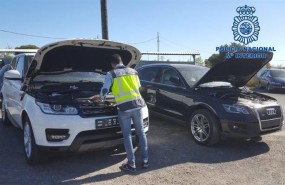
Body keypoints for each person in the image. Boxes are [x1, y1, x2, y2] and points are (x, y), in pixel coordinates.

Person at [100, 54, 149, 173]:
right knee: (141, 133)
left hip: (124, 109)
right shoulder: (133, 71)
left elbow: (105, 90)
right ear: (121, 61)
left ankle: (131, 164)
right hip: (138, 105)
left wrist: (101, 97)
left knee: (127, 135)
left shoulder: (111, 74)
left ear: (112, 64)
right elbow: (138, 87)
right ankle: (146, 160)